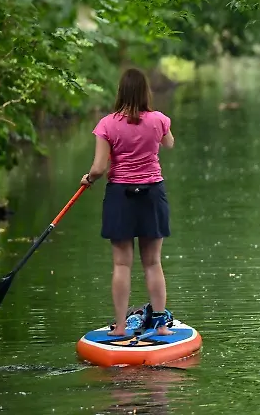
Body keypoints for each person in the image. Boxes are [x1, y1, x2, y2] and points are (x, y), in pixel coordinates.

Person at [81, 68, 176, 336]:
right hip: (152, 194)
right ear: (146, 92)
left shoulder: (106, 125)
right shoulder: (159, 120)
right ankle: (161, 326)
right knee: (153, 262)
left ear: (120, 92)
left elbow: (99, 168)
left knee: (122, 264)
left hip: (120, 196)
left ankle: (121, 326)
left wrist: (88, 178)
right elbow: (169, 143)